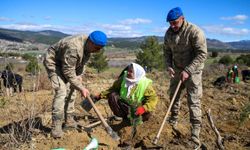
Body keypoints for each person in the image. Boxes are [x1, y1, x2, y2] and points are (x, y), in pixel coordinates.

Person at [43, 30, 107, 138]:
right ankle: (56, 127)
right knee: (61, 92)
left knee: (72, 91)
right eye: (97, 48)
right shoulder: (74, 47)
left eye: (100, 49)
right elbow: (68, 71)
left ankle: (69, 121)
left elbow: (81, 64)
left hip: (68, 65)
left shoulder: (89, 47)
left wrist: (79, 79)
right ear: (90, 42)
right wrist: (81, 87)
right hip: (55, 63)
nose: (98, 51)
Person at [163, 7, 207, 148]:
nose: (172, 26)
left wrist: (188, 70)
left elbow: (202, 54)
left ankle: (195, 133)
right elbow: (167, 51)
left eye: (175, 22)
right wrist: (169, 66)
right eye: (170, 23)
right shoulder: (169, 33)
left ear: (182, 18)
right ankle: (173, 121)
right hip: (176, 70)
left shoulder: (195, 32)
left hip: (193, 72)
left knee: (193, 101)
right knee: (173, 97)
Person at [93, 63, 159, 125]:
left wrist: (144, 108)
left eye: (131, 72)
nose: (128, 73)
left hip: (138, 109)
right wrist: (101, 95)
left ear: (137, 74)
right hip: (126, 105)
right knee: (113, 95)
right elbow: (113, 89)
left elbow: (153, 99)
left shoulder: (145, 84)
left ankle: (137, 121)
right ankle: (122, 117)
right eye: (128, 71)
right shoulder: (124, 78)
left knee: (146, 113)